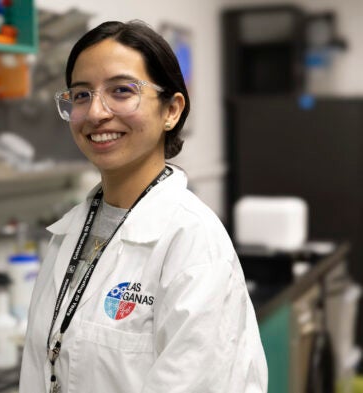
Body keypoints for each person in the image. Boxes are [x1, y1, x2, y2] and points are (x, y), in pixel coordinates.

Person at [19, 20, 268, 393]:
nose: (96, 113)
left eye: (121, 91)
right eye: (81, 95)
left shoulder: (192, 240)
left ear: (171, 110)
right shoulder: (69, 236)